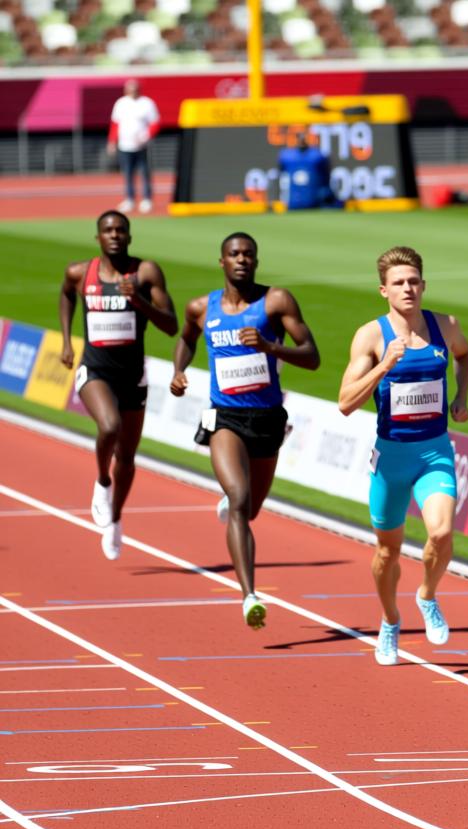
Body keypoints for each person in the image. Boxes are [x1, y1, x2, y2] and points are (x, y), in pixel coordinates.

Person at [170, 232, 320, 629]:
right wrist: (179, 370)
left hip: (268, 418)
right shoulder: (201, 308)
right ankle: (250, 595)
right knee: (239, 499)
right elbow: (185, 340)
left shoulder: (276, 302)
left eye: (248, 254)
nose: (241, 260)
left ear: (256, 261)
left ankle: (235, 505)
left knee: (249, 509)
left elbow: (312, 357)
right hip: (225, 418)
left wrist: (272, 348)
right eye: (234, 254)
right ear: (222, 261)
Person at [337, 246, 468, 665]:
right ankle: (390, 621)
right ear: (384, 290)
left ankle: (427, 595)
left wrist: (462, 395)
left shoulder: (445, 325)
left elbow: (465, 357)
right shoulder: (371, 336)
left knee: (441, 533)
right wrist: (383, 367)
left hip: (434, 453)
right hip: (391, 458)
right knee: (386, 553)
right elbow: (344, 402)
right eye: (399, 282)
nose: (408, 288)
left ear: (424, 285)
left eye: (413, 281)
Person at [59, 210, 177, 560]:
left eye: (121, 230)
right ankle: (101, 481)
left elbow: (171, 325)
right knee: (109, 426)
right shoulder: (80, 272)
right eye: (108, 230)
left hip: (133, 376)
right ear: (98, 238)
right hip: (95, 370)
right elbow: (66, 295)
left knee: (126, 457)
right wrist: (67, 340)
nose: (114, 235)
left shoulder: (145, 273)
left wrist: (138, 301)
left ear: (129, 236)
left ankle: (116, 518)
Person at [107, 79, 160, 214]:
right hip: (125, 145)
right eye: (130, 89)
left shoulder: (147, 103)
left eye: (135, 89)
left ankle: (147, 199)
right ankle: (129, 199)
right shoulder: (121, 103)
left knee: (144, 172)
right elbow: (115, 124)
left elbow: (155, 122)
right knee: (128, 173)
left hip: (142, 146)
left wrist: (146, 135)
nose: (132, 91)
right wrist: (112, 141)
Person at [277, 130, 334, 210]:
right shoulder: (287, 155)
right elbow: (280, 175)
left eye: (304, 137)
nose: (302, 140)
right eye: (299, 137)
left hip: (313, 200)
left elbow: (326, 174)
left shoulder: (317, 155)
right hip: (293, 201)